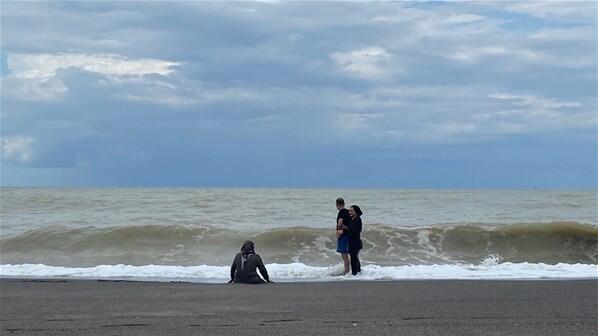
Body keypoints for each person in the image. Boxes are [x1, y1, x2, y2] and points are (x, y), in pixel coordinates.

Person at [335, 197, 352, 275]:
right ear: (344, 204)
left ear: (337, 205)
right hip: (350, 235)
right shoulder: (349, 212)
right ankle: (353, 271)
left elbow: (340, 223)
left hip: (344, 236)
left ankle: (347, 272)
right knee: (350, 254)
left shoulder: (341, 212)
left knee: (344, 256)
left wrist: (339, 232)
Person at [346, 205, 363, 275]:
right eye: (349, 211)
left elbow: (352, 231)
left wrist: (344, 229)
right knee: (355, 258)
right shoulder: (353, 219)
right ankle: (358, 273)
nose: (350, 212)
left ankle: (355, 274)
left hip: (355, 242)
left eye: (352, 211)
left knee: (353, 259)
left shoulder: (357, 219)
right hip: (353, 241)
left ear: (356, 211)